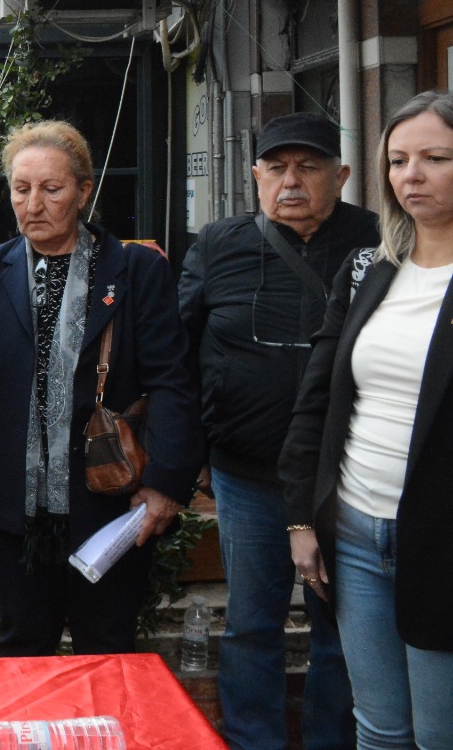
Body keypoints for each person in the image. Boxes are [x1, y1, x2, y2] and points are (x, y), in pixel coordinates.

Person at [180, 112, 371, 750]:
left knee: (341, 631)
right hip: (247, 476)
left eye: (309, 167)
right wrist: (193, 450)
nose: (291, 182)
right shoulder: (218, 245)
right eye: (277, 168)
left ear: (341, 176)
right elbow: (179, 352)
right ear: (255, 176)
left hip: (345, 481)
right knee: (251, 624)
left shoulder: (376, 245)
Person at [0, 120, 201, 655]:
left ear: (83, 191)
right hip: (14, 510)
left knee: (107, 647)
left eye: (51, 189)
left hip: (109, 500)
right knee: (22, 647)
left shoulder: (134, 269)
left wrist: (165, 484)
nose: (34, 204)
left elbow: (172, 381)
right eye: (21, 189)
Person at [281, 90, 453, 748]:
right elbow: (317, 401)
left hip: (440, 541)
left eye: (435, 158)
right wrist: (302, 518)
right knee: (378, 729)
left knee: (438, 733)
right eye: (399, 160)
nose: (412, 175)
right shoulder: (367, 271)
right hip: (354, 533)